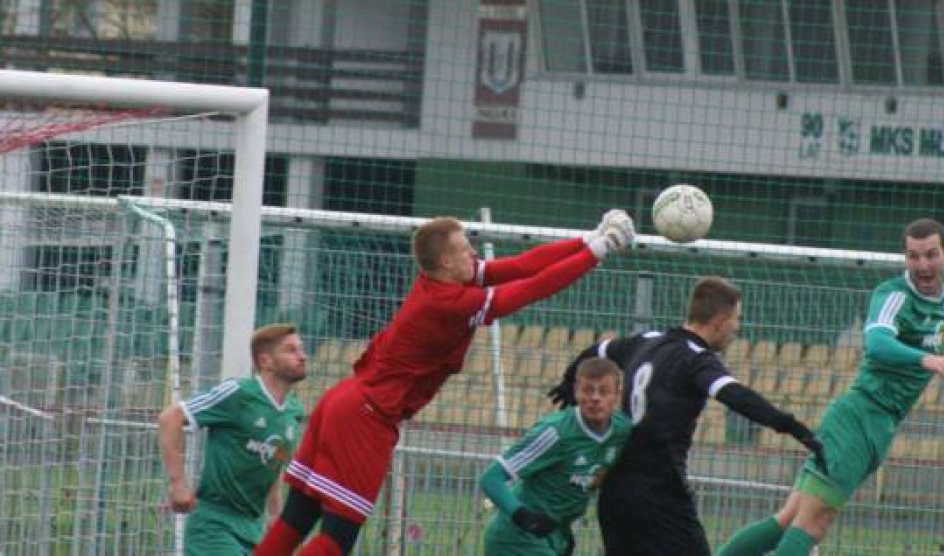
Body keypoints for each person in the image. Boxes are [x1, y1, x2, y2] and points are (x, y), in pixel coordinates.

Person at [255, 210, 636, 556]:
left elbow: (522, 265)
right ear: (445, 261)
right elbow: (529, 289)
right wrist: (599, 250)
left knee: (297, 518)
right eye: (465, 248)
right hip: (366, 414)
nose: (473, 253)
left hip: (344, 400)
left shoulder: (446, 282)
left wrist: (588, 239)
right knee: (338, 536)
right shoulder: (448, 302)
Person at [715, 152, 944, 556]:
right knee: (814, 521)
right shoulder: (894, 295)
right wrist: (924, 358)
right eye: (913, 256)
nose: (922, 264)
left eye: (931, 254)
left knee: (787, 519)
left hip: (878, 423)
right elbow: (876, 343)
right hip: (860, 416)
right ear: (905, 258)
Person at [548, 276, 825, 556]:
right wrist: (791, 426)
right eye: (736, 319)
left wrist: (568, 382)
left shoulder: (647, 341)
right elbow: (736, 396)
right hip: (660, 491)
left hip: (617, 490)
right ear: (720, 319)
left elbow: (595, 351)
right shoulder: (697, 359)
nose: (737, 328)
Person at [158, 323, 307, 556]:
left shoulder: (293, 412)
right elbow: (171, 418)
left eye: (301, 349)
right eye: (291, 350)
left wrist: (275, 517)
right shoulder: (238, 394)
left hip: (252, 529)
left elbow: (273, 460)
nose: (302, 356)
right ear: (266, 361)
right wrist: (178, 484)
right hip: (214, 526)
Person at [479, 357, 632, 556]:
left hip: (554, 535)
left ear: (617, 395)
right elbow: (491, 478)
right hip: (517, 539)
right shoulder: (556, 432)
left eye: (603, 391)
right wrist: (523, 516)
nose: (595, 398)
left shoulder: (622, 431)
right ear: (576, 390)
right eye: (588, 390)